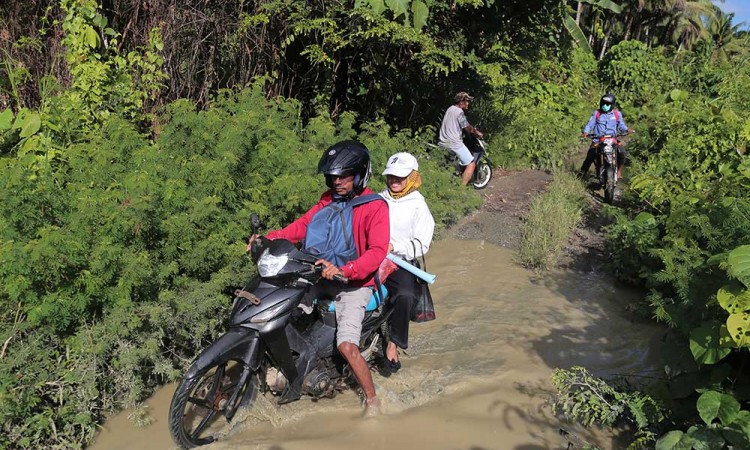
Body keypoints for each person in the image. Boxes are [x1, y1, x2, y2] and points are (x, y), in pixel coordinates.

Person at [247, 140, 389, 416]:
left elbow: (377, 251)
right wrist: (269, 238)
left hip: (355, 284)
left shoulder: (375, 207)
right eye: (332, 177)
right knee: (278, 312)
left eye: (343, 177)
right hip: (319, 274)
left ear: (360, 175)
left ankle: (373, 402)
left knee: (347, 346)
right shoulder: (328, 200)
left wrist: (345, 270)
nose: (337, 182)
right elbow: (301, 227)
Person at [378, 152, 435, 373]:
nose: (394, 181)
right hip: (372, 257)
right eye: (391, 176)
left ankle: (394, 343)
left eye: (399, 177)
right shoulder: (379, 198)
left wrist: (394, 247)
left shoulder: (418, 205)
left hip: (399, 262)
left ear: (412, 177)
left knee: (405, 295)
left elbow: (421, 245)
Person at [579, 93, 633, 180]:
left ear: (612, 105)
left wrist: (627, 130)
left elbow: (622, 126)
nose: (605, 106)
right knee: (590, 156)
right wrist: (585, 132)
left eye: (607, 104)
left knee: (622, 152)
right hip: (598, 140)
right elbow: (590, 124)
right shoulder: (597, 113)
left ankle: (619, 171)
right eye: (603, 103)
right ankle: (581, 175)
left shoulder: (617, 114)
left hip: (612, 140)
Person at [439, 91, 484, 186]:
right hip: (454, 143)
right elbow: (467, 128)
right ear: (461, 102)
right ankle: (461, 189)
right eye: (467, 101)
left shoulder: (450, 109)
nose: (468, 103)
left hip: (443, 142)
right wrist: (477, 132)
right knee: (471, 164)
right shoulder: (459, 112)